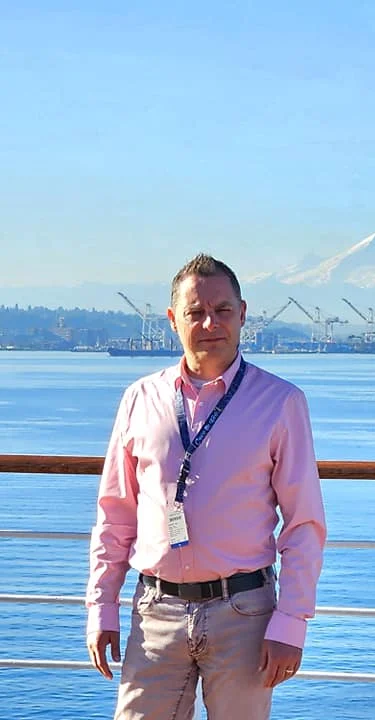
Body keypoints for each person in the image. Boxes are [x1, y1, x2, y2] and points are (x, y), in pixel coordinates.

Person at [86, 253, 327, 719]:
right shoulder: (141, 399)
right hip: (154, 610)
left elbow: (304, 523)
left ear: (243, 314)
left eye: (222, 310)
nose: (209, 322)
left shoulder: (281, 403)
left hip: (245, 613)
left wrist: (291, 623)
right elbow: (115, 514)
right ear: (174, 320)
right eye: (195, 312)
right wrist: (101, 608)